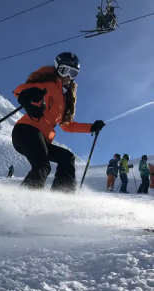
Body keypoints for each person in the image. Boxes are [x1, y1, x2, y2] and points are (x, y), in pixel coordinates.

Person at [12, 52, 105, 193]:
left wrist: (91, 127)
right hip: (26, 131)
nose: (68, 76)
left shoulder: (65, 99)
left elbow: (67, 126)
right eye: (64, 70)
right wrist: (29, 94)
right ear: (57, 68)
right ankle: (23, 200)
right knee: (43, 166)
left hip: (41, 138)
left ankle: (62, 196)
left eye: (73, 73)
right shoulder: (48, 84)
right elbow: (20, 90)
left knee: (67, 158)